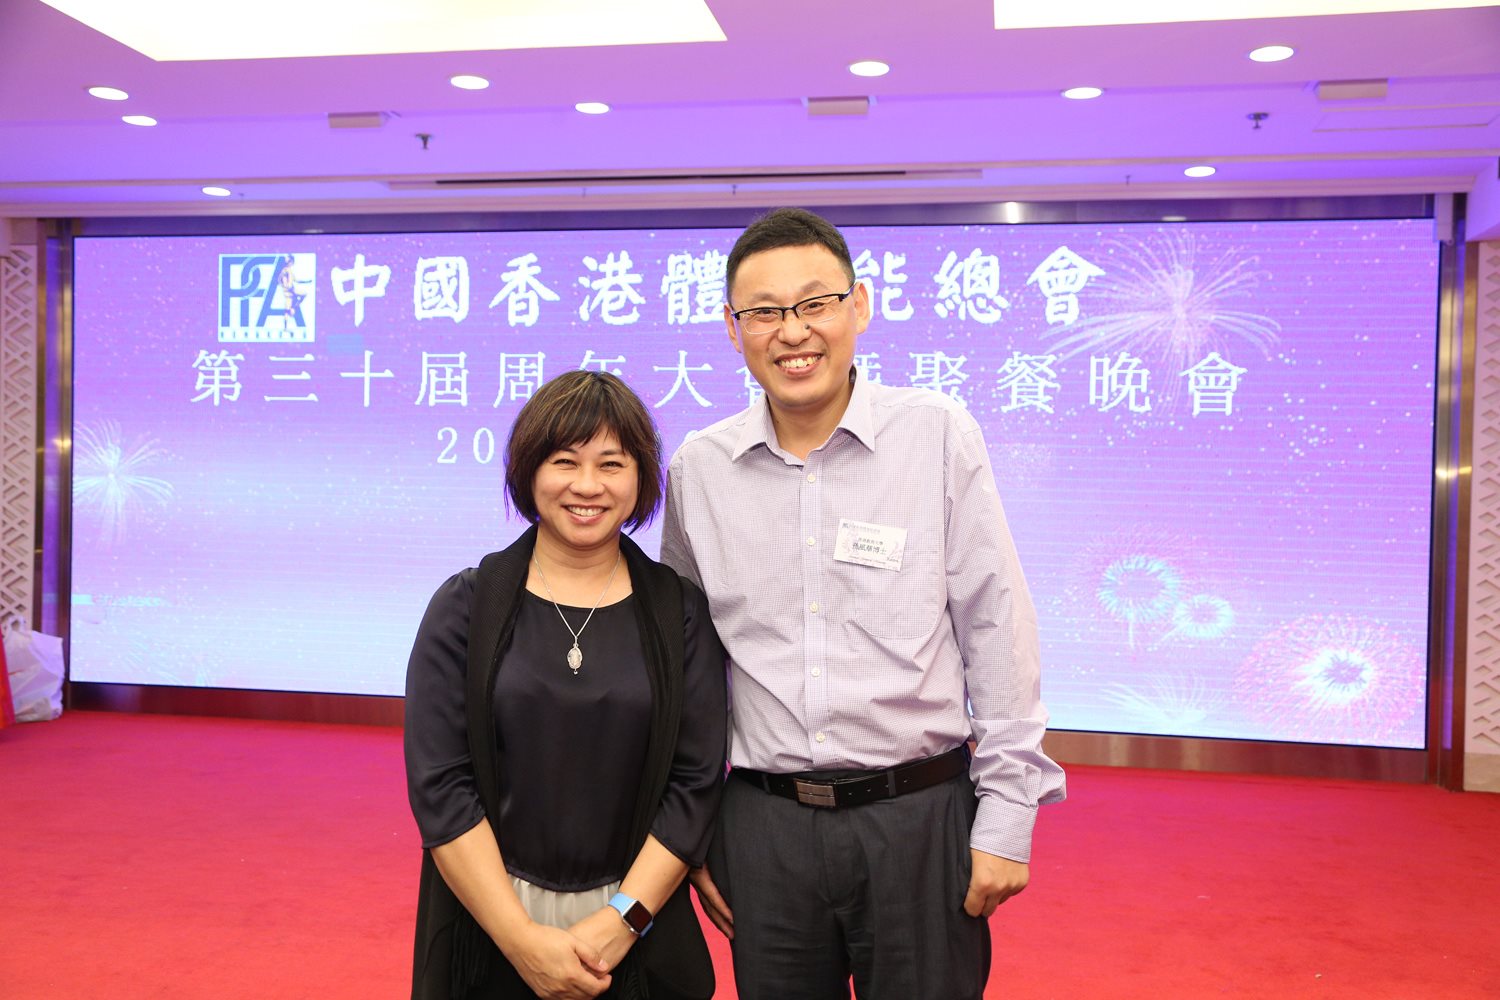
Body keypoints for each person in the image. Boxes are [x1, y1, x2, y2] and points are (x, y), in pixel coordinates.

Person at [661, 207, 1067, 999]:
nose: (793, 331)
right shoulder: (699, 468)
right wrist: (691, 830)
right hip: (765, 826)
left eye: (815, 303)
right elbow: (686, 666)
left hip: (917, 816)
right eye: (764, 312)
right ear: (732, 328)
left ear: (860, 307)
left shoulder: (936, 433)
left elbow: (995, 624)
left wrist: (1008, 814)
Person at [404, 370, 727, 1000]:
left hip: (637, 932)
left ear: (641, 479)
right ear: (529, 472)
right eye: (564, 462)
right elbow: (441, 787)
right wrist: (520, 940)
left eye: (612, 464)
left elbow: (693, 785)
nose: (587, 485)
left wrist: (621, 922)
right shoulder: (466, 607)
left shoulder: (679, 612)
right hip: (488, 928)